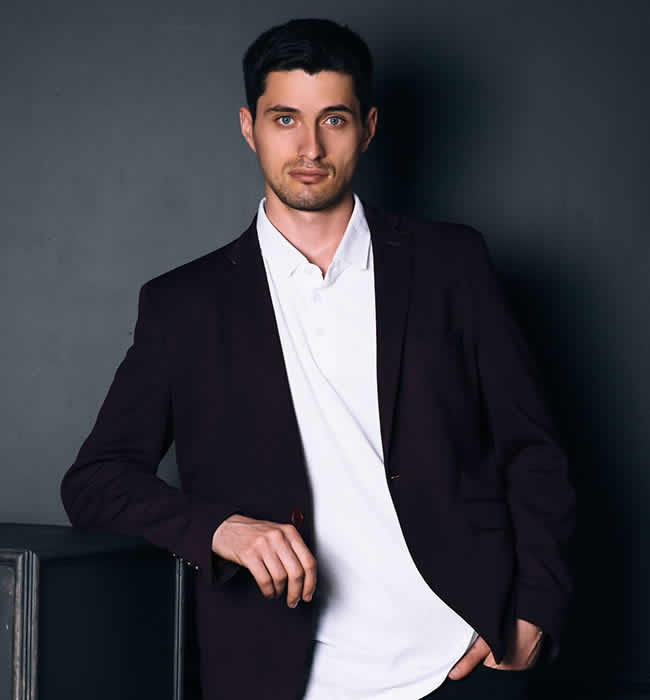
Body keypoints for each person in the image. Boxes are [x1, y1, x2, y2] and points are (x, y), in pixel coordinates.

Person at [60, 17, 576, 700]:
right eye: (285, 119)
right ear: (249, 127)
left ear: (367, 127)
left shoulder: (452, 264)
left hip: (462, 662)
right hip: (280, 676)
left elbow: (531, 451)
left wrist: (535, 609)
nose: (309, 147)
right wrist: (218, 529)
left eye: (333, 119)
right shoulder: (184, 304)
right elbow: (94, 483)